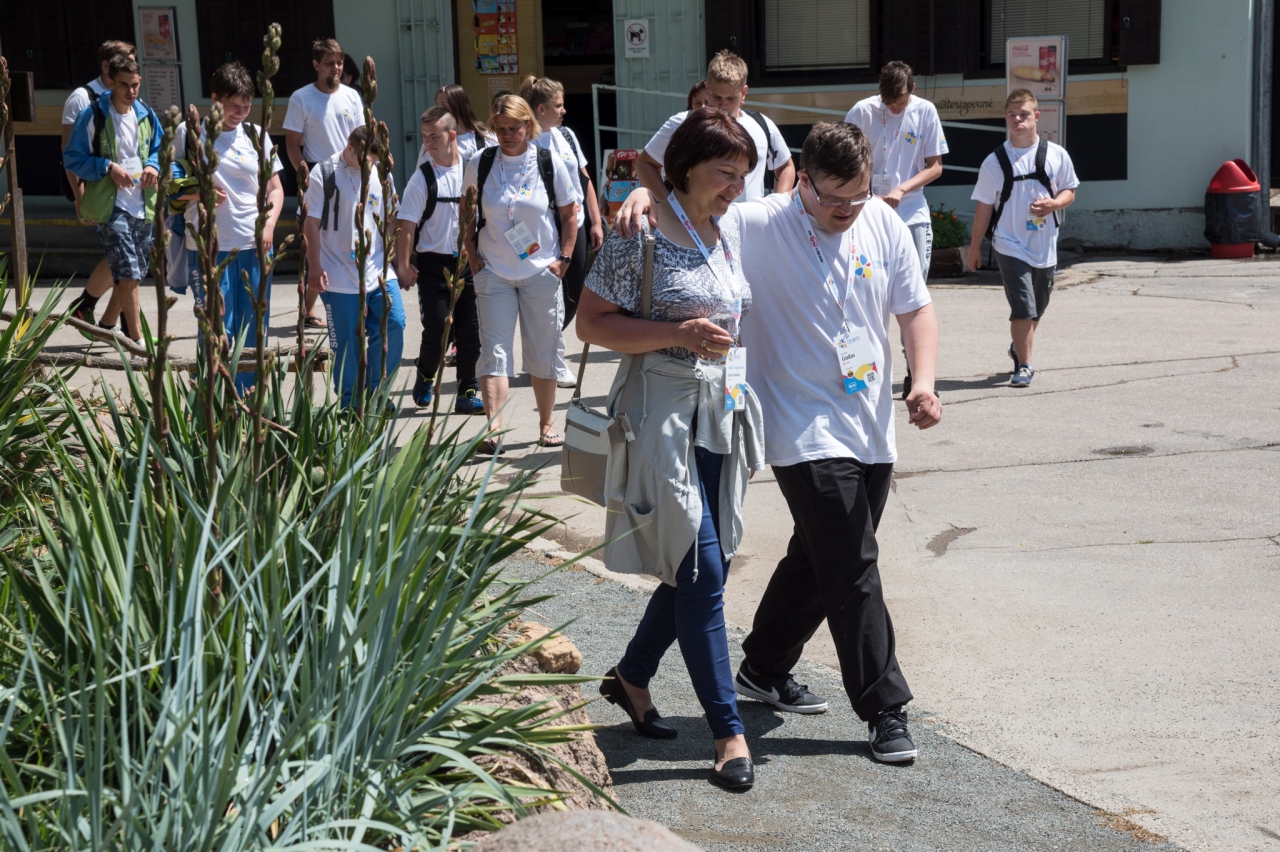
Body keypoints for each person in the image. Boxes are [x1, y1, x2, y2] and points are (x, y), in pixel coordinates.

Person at [615, 121, 943, 764]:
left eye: (858, 195)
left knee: (820, 556)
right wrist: (643, 193)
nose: (847, 210)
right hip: (796, 425)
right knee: (852, 562)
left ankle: (762, 667)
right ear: (803, 181)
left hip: (869, 421)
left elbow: (915, 308)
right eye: (833, 198)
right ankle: (884, 706)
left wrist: (923, 382)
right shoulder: (758, 222)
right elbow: (688, 209)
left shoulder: (882, 221)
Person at [578, 108, 763, 791]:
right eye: (725, 173)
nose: (736, 187)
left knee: (700, 561)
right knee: (703, 570)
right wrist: (678, 335)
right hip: (661, 413)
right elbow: (590, 323)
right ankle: (728, 733)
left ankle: (631, 677)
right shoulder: (640, 233)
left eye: (743, 175)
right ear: (685, 168)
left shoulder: (727, 227)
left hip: (719, 412)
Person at [461, 94, 578, 454]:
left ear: (529, 125)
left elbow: (569, 214)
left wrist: (563, 260)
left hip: (541, 271)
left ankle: (546, 424)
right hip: (493, 270)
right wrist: (472, 256)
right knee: (493, 351)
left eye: (514, 128)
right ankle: (493, 428)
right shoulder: (480, 163)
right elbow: (466, 213)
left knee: (544, 349)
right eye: (500, 128)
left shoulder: (548, 162)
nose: (507, 135)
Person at [174, 62, 284, 395]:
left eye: (246, 106)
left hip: (254, 246)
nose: (240, 113)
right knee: (217, 328)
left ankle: (248, 402)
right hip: (209, 248)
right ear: (215, 99)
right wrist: (200, 191)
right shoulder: (190, 133)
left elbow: (275, 189)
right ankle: (212, 401)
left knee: (253, 330)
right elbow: (169, 186)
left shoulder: (255, 134)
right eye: (233, 105)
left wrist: (268, 226)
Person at [846, 61, 947, 397]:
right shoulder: (862, 111)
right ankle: (858, 374)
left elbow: (935, 167)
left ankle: (916, 377)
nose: (894, 108)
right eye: (888, 103)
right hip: (866, 212)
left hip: (911, 211)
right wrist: (863, 192)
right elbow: (843, 159)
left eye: (900, 103)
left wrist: (902, 188)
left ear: (912, 90)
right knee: (857, 292)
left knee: (912, 298)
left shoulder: (925, 111)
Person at [965, 89, 1078, 388]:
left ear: (1037, 116)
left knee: (1038, 306)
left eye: (1024, 114)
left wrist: (1055, 204)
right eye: (1012, 115)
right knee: (1023, 305)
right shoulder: (994, 162)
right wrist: (975, 247)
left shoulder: (1057, 155)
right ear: (1005, 118)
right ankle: (1024, 365)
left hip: (1044, 244)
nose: (1018, 119)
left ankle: (1018, 346)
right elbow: (984, 208)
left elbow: (1070, 190)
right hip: (1008, 243)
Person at [304, 125, 406, 408]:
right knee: (347, 341)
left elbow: (391, 215)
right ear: (350, 147)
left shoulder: (381, 172)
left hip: (377, 270)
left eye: (373, 161)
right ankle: (350, 403)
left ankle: (377, 393)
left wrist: (393, 257)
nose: (368, 166)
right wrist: (314, 265)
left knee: (394, 323)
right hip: (338, 274)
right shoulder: (324, 173)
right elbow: (311, 222)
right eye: (364, 160)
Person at [63, 53, 161, 345]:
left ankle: (106, 324)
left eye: (135, 85)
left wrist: (153, 166)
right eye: (123, 85)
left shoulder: (145, 113)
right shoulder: (93, 115)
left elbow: (159, 147)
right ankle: (137, 340)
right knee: (127, 272)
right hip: (112, 206)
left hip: (143, 205)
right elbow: (72, 158)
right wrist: (107, 167)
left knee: (134, 272)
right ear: (110, 83)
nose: (131, 91)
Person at [395, 107, 483, 414]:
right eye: (425, 137)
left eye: (435, 136)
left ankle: (467, 389)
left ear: (452, 135)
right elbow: (406, 226)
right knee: (437, 327)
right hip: (433, 265)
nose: (428, 143)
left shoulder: (473, 170)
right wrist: (403, 266)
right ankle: (426, 375)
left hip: (469, 264)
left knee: (471, 330)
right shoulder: (422, 178)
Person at [636, 50, 794, 203]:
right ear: (707, 88)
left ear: (744, 92)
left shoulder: (762, 125)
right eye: (716, 96)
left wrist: (777, 207)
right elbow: (644, 164)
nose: (722, 105)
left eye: (731, 98)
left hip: (750, 220)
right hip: (694, 220)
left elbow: (785, 166)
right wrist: (669, 206)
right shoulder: (682, 124)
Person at [284, 38, 364, 328]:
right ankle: (308, 309)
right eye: (330, 63)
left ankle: (351, 301)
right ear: (316, 64)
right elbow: (292, 143)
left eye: (339, 62)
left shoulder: (352, 96)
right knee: (316, 246)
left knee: (350, 240)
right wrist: (304, 175)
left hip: (352, 171)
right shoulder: (301, 98)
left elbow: (362, 137)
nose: (336, 68)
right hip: (319, 174)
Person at [520, 75, 604, 333]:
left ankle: (549, 342)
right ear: (541, 109)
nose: (564, 110)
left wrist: (596, 221)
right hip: (543, 228)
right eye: (558, 105)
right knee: (544, 290)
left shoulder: (567, 135)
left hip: (575, 224)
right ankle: (545, 346)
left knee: (574, 292)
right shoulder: (524, 143)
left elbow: (584, 179)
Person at [62, 40, 136, 331]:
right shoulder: (82, 98)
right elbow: (69, 153)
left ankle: (103, 317)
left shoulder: (129, 96)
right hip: (99, 192)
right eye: (124, 62)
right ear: (107, 66)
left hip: (129, 194)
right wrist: (80, 199)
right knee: (123, 257)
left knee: (126, 258)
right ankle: (101, 314)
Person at [434, 84, 496, 162]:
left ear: (459, 106)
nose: (439, 111)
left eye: (444, 106)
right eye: (437, 105)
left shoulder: (488, 138)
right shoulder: (433, 143)